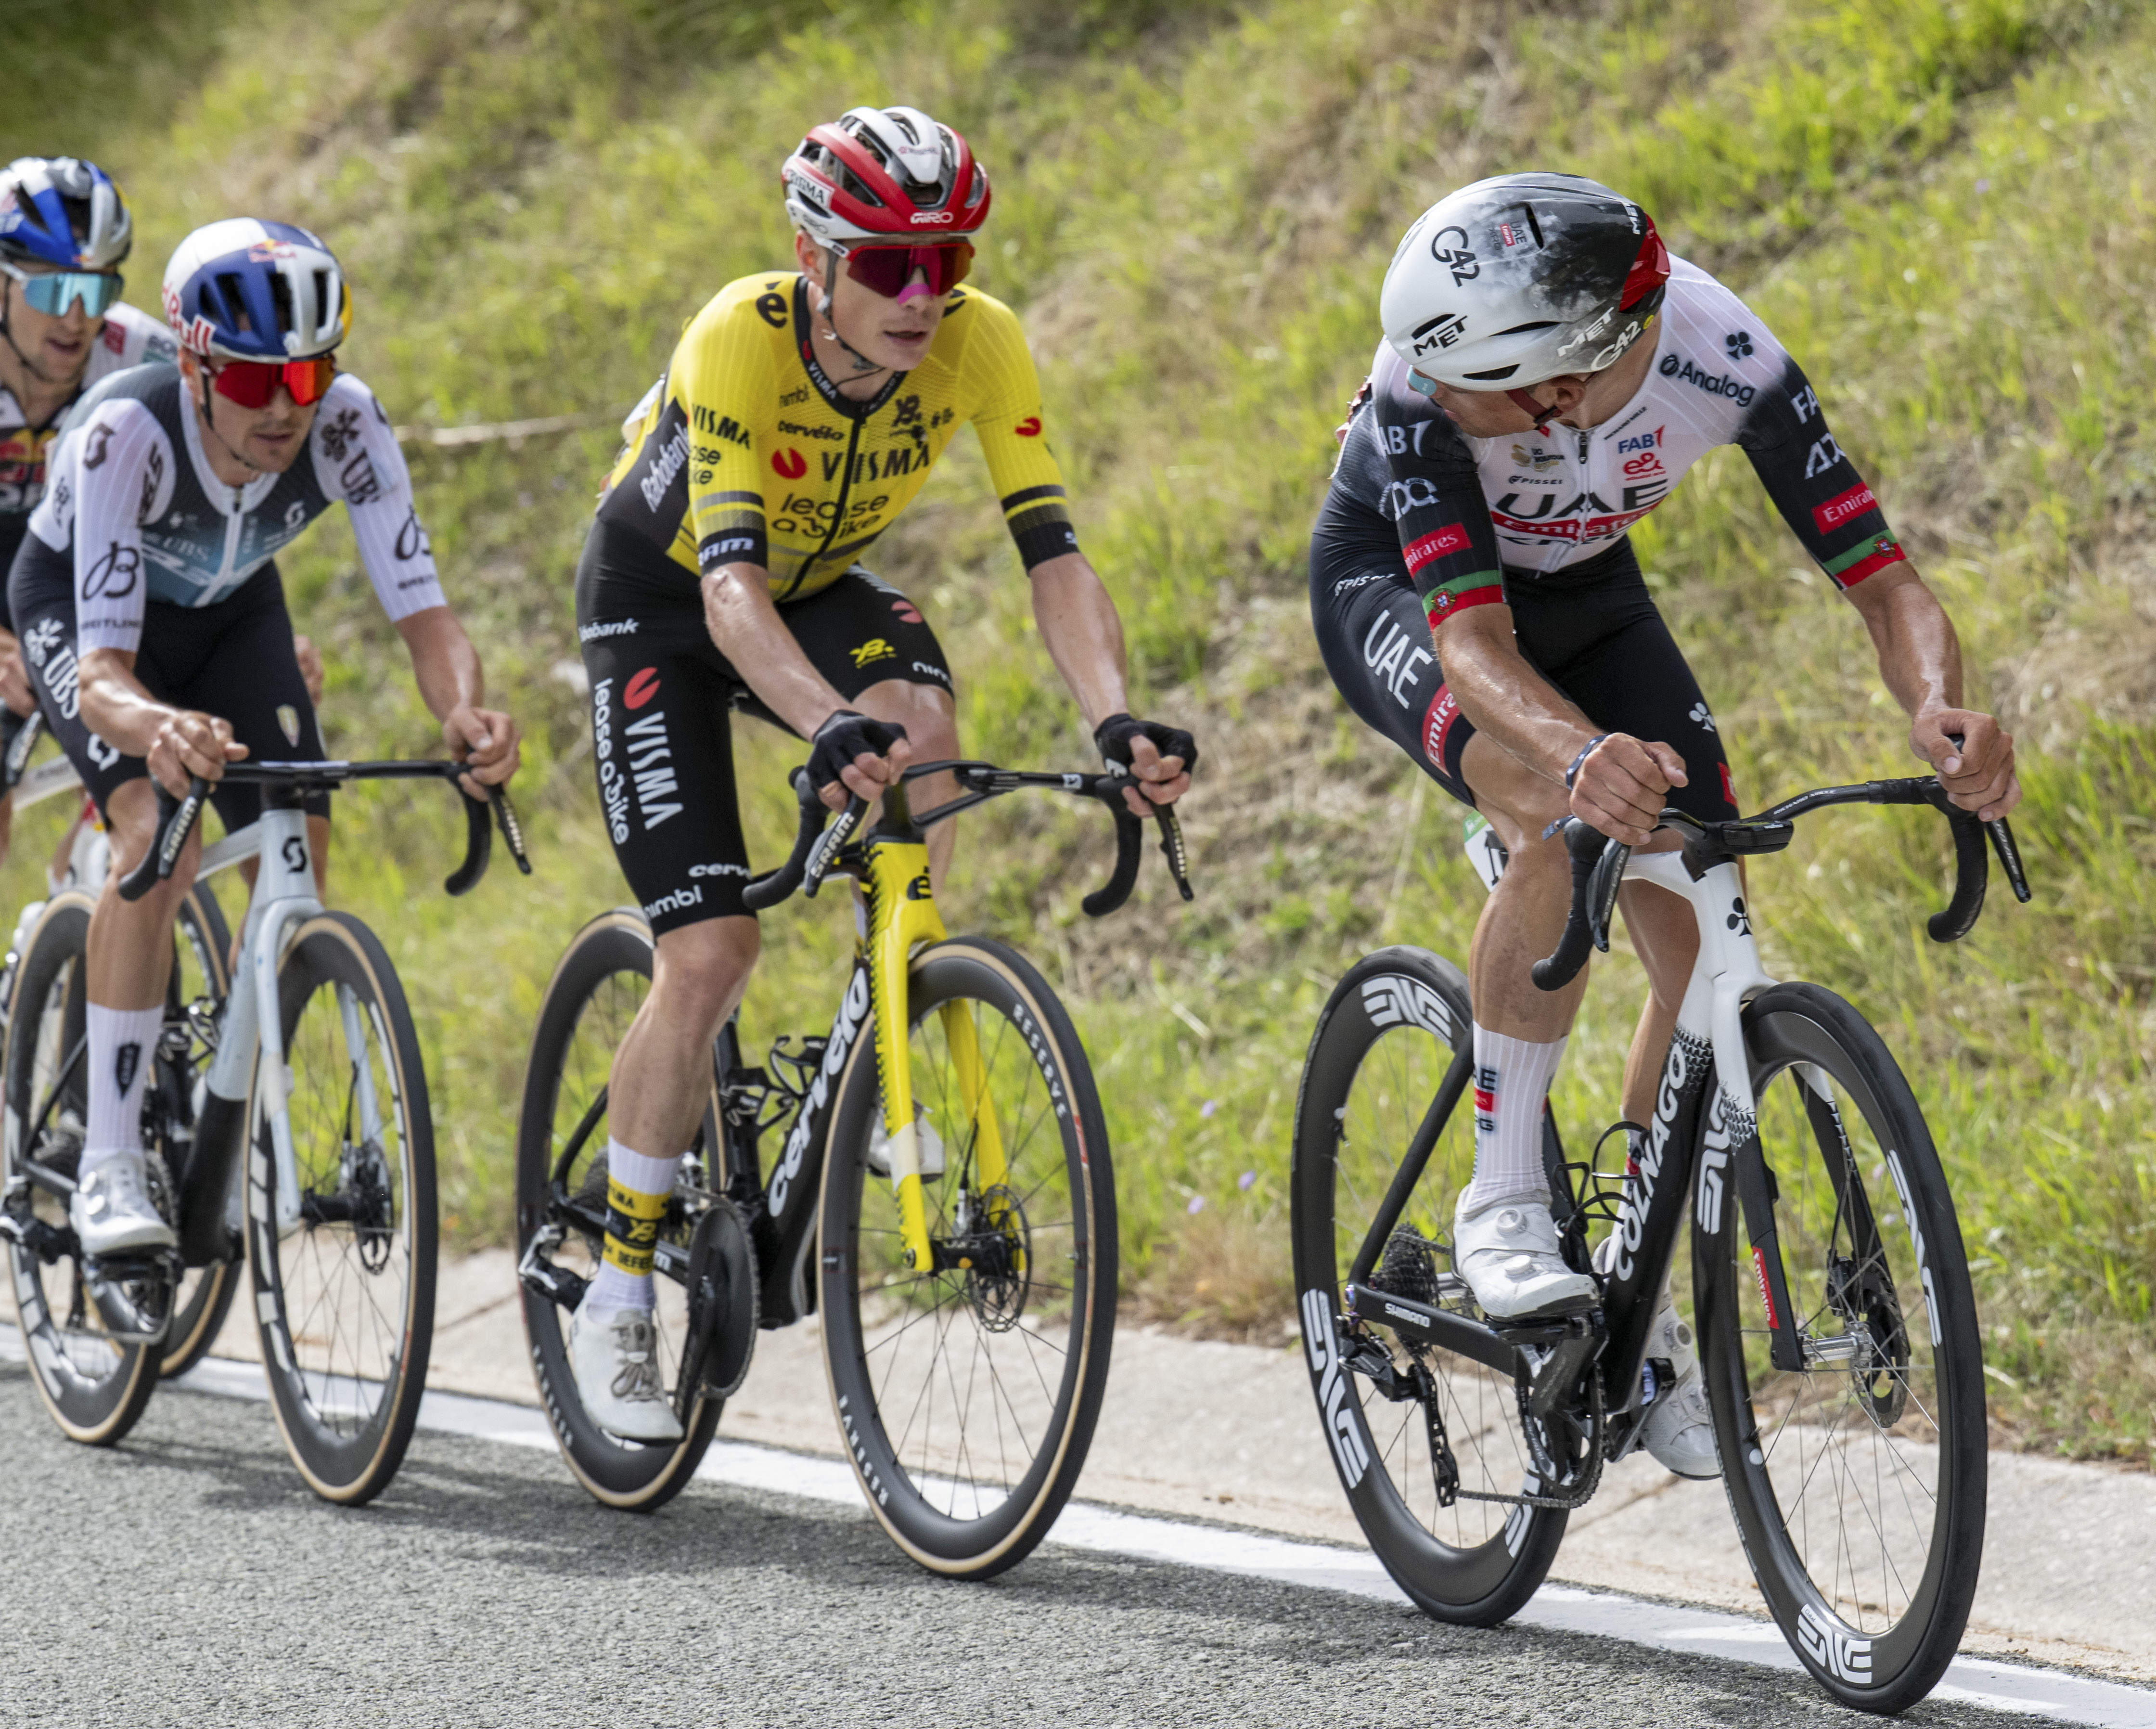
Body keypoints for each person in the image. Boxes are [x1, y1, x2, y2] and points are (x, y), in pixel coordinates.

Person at [1310, 174, 2019, 1477]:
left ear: (1561, 384)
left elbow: (1883, 578)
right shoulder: (1421, 392)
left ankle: (1640, 1313)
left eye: (1478, 391)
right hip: (1400, 592)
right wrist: (1578, 755)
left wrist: (1938, 706)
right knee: (1553, 816)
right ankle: (1502, 1196)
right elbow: (1471, 646)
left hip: (1586, 590)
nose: (1438, 394)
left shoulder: (1721, 352)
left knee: (1698, 922)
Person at [570, 105, 1195, 1441]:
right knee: (712, 951)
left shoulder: (981, 339)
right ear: (813, 258)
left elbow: (1054, 556)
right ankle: (618, 1279)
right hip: (665, 601)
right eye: (890, 266)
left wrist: (1114, 718)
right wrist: (818, 723)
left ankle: (885, 1015)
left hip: (813, 587)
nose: (923, 296)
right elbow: (727, 592)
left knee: (925, 729)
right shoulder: (739, 336)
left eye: (947, 261)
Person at [7, 217, 521, 1260]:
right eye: (252, 381)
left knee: (298, 856)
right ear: (194, 367)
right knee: (158, 837)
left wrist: (463, 712)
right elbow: (103, 677)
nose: (286, 406)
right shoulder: (125, 432)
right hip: (81, 616)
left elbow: (427, 616)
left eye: (308, 374)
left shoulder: (349, 424)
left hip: (233, 611)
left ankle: (229, 1105)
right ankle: (109, 1158)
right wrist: (162, 725)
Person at [0, 157, 177, 862]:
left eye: (97, 287)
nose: (77, 318)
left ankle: (85, 873)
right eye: (53, 288)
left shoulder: (143, 354)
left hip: (79, 559)